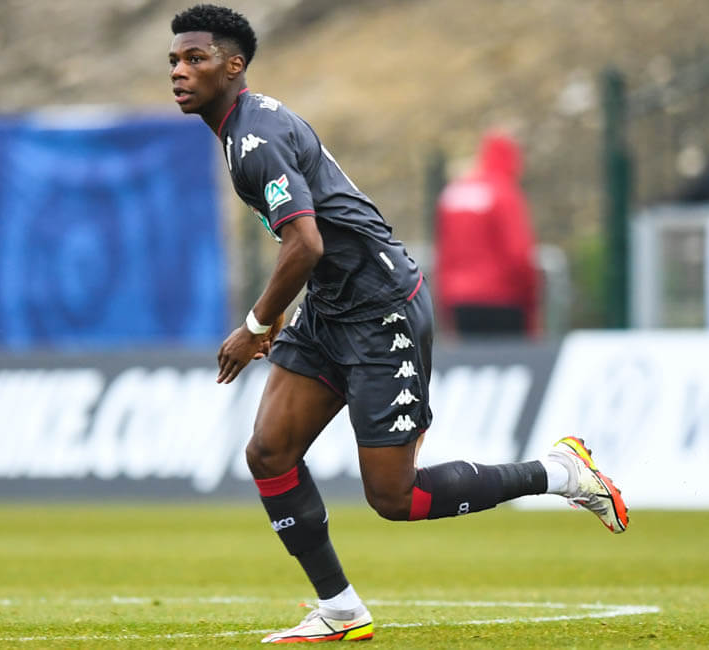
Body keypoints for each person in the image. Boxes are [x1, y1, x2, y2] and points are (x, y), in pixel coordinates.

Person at [168, 5, 628, 643]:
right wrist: (281, 313)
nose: (180, 71)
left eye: (195, 59)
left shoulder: (255, 139)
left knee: (396, 498)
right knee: (269, 452)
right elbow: (314, 242)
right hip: (332, 306)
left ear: (233, 65)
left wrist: (256, 323)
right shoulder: (243, 128)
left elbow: (306, 242)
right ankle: (340, 610)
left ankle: (560, 472)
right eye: (174, 60)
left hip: (381, 309)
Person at [434, 131, 539, 338]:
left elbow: (444, 253)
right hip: (504, 298)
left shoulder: (453, 193)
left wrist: (444, 301)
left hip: (460, 299)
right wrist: (530, 301)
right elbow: (518, 253)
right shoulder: (504, 192)